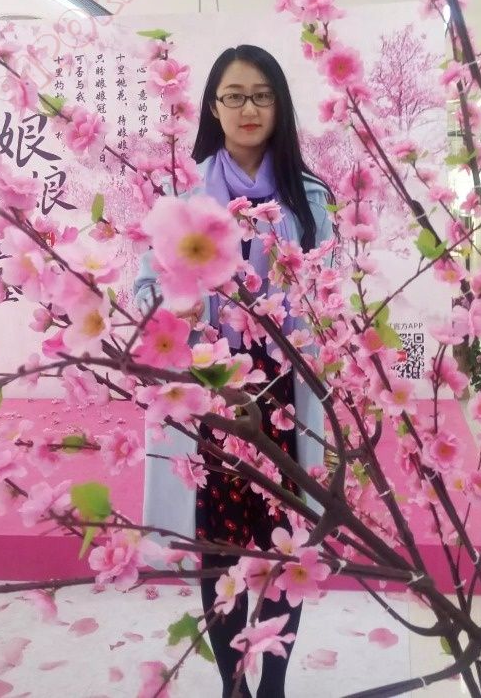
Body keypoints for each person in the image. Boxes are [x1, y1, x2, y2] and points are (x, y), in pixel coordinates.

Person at [135, 44, 334, 698]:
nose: (249, 108)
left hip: (285, 395)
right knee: (219, 547)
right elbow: (145, 288)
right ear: (213, 108)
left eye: (262, 95)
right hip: (210, 393)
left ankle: (272, 683)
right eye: (235, 96)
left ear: (279, 105)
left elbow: (330, 295)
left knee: (284, 544)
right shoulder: (182, 196)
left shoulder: (310, 198)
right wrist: (175, 308)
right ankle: (233, 685)